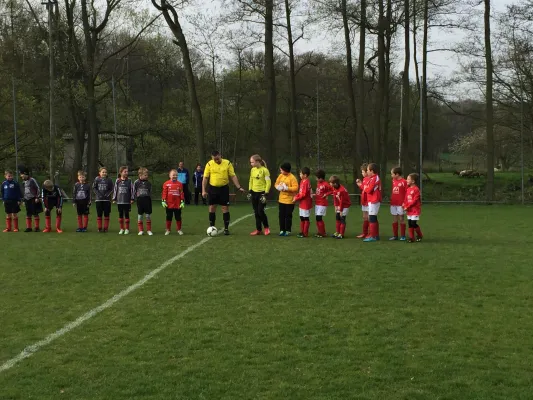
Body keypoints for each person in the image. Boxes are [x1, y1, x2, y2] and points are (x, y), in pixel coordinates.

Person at [202, 151, 245, 235]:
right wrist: (203, 190)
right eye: (214, 159)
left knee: (225, 208)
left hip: (224, 188)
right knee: (212, 207)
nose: (216, 161)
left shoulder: (227, 163)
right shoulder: (209, 164)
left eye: (217, 159)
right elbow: (205, 178)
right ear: (212, 158)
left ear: (220, 156)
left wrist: (239, 187)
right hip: (213, 188)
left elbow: (233, 176)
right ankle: (212, 227)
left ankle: (226, 228)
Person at [247, 154, 271, 236]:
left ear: (257, 162)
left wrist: (266, 193)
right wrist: (250, 191)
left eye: (252, 162)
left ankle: (266, 227)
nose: (251, 164)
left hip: (262, 193)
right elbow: (251, 180)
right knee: (256, 212)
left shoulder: (265, 170)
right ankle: (258, 230)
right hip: (254, 193)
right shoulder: (252, 170)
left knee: (260, 211)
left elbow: (268, 182)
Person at [274, 162, 298, 236]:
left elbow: (296, 188)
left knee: (288, 216)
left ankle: (287, 230)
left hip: (289, 200)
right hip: (281, 200)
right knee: (281, 215)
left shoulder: (292, 177)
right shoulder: (280, 176)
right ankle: (282, 230)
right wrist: (278, 187)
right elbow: (276, 183)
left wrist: (287, 188)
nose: (280, 171)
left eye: (281, 170)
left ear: (286, 170)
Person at [162, 169, 185, 235]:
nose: (174, 176)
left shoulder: (180, 184)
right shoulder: (166, 184)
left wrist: (182, 201)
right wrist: (163, 201)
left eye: (176, 175)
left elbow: (181, 193)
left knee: (178, 217)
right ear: (169, 175)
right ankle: (168, 230)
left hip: (177, 204)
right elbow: (164, 193)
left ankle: (179, 229)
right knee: (169, 217)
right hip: (169, 204)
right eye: (173, 175)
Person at [113, 166, 135, 235]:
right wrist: (114, 198)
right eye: (125, 171)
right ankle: (121, 228)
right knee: (120, 215)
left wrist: (132, 198)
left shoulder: (129, 180)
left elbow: (132, 190)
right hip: (119, 201)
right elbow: (115, 190)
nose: (126, 173)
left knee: (126, 214)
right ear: (121, 172)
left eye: (127, 171)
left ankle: (127, 229)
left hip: (127, 201)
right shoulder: (117, 180)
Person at [363, 163, 382, 242]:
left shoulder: (375, 178)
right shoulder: (372, 178)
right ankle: (375, 235)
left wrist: (366, 188)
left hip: (374, 200)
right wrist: (366, 188)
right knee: (373, 217)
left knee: (372, 217)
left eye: (367, 170)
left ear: (372, 171)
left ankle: (373, 236)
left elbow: (369, 190)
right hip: (371, 199)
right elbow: (367, 188)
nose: (367, 172)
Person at [19, 167, 42, 232]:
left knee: (35, 213)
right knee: (28, 213)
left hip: (33, 199)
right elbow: (23, 192)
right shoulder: (23, 182)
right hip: (27, 199)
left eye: (21, 174)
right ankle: (29, 227)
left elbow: (37, 188)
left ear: (25, 174)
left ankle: (37, 227)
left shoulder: (32, 180)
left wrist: (37, 197)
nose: (21, 176)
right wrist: (23, 200)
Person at [292, 167, 312, 238]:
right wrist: (296, 196)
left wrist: (296, 198)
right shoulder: (302, 181)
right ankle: (302, 231)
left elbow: (304, 194)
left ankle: (305, 233)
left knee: (306, 218)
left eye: (301, 173)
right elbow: (300, 192)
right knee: (301, 217)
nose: (300, 175)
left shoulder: (306, 182)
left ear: (305, 175)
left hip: (306, 203)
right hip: (302, 203)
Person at [93, 166, 114, 232]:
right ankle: (99, 228)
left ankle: (105, 228)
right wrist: (99, 194)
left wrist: (107, 195)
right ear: (99, 173)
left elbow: (111, 189)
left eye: (105, 172)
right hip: (98, 200)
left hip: (106, 200)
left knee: (106, 214)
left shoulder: (109, 180)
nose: (104, 173)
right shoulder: (97, 179)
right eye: (103, 172)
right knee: (99, 214)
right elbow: (94, 188)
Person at [389, 166, 408, 241]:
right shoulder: (393, 180)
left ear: (397, 174)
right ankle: (395, 236)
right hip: (393, 203)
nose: (391, 175)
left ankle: (403, 236)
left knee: (401, 219)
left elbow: (407, 193)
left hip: (401, 204)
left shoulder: (404, 182)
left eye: (392, 174)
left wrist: (405, 202)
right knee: (394, 219)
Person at [313, 169, 333, 238]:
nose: (316, 179)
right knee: (317, 218)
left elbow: (332, 190)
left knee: (319, 218)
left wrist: (326, 194)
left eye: (317, 178)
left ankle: (323, 233)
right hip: (317, 203)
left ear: (321, 178)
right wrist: (314, 195)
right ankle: (319, 232)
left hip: (322, 203)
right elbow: (319, 192)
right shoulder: (318, 183)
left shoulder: (326, 184)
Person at [404, 173, 423, 242]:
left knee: (413, 223)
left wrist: (408, 206)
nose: (406, 180)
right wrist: (404, 204)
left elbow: (415, 200)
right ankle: (411, 238)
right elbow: (406, 199)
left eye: (408, 179)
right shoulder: (408, 189)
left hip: (415, 210)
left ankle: (420, 235)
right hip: (409, 210)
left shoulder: (416, 189)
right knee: (410, 223)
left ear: (413, 181)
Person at [134, 167, 153, 236]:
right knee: (140, 216)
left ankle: (149, 230)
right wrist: (134, 198)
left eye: (147, 175)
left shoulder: (149, 183)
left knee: (148, 215)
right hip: (140, 200)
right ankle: (141, 230)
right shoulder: (136, 182)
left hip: (147, 200)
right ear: (140, 175)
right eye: (145, 175)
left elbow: (150, 192)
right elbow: (134, 191)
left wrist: (149, 198)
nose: (147, 176)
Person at [355, 163, 369, 239]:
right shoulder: (364, 179)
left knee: (370, 217)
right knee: (364, 217)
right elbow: (363, 188)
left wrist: (360, 185)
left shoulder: (371, 179)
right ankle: (365, 233)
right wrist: (360, 183)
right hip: (364, 200)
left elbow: (366, 189)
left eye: (363, 172)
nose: (362, 173)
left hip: (369, 201)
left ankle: (371, 233)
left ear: (368, 172)